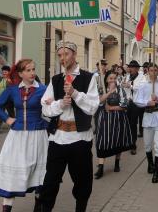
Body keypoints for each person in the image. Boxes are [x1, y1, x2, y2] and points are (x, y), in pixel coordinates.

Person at [35, 41, 99, 212]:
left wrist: (75, 93)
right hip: (58, 137)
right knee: (49, 182)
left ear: (74, 54)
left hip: (79, 139)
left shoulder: (88, 78)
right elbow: (46, 110)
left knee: (82, 182)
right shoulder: (55, 80)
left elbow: (92, 106)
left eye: (66, 54)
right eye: (60, 55)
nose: (63, 58)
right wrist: (60, 104)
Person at [0, 59, 48, 212]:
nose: (32, 73)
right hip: (17, 137)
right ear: (20, 73)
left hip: (38, 135)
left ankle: (38, 206)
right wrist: (8, 119)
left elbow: (52, 110)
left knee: (38, 172)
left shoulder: (43, 89)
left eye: (33, 69)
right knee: (13, 173)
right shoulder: (13, 89)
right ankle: (6, 209)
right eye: (28, 70)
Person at [134, 63, 158, 183]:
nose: (153, 72)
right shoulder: (143, 86)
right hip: (148, 118)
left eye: (156, 70)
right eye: (151, 70)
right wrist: (147, 102)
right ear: (148, 71)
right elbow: (136, 100)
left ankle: (157, 172)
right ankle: (150, 163)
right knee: (147, 145)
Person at [94, 71, 133, 179]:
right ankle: (101, 167)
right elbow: (99, 101)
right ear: (106, 79)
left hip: (118, 118)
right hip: (105, 119)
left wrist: (111, 108)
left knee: (118, 139)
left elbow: (124, 104)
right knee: (102, 140)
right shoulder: (101, 89)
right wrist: (109, 92)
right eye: (110, 78)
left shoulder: (120, 89)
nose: (113, 80)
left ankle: (117, 163)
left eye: (114, 78)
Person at [123, 60, 145, 155]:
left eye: (132, 67)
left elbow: (141, 88)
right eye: (129, 67)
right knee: (127, 123)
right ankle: (128, 142)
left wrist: (130, 85)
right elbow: (125, 89)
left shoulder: (142, 77)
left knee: (133, 124)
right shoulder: (128, 76)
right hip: (128, 102)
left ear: (136, 69)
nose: (130, 69)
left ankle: (133, 145)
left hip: (136, 103)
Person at [0, 65, 15, 136]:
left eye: (6, 71)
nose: (4, 73)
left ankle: (14, 126)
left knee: (11, 114)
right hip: (0, 100)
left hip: (8, 100)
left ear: (8, 72)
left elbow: (13, 89)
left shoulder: (11, 80)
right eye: (3, 71)